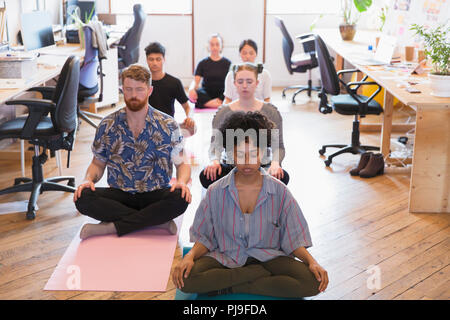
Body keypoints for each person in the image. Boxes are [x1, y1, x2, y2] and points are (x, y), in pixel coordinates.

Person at [172, 112, 328, 298]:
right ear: (230, 154)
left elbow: (293, 238)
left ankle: (232, 286)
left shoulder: (280, 191)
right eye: (240, 155)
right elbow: (204, 237)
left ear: (263, 153)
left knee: (313, 282)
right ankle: (255, 276)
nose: (247, 162)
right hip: (227, 255)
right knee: (187, 279)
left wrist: (312, 262)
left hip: (269, 257)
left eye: (253, 154)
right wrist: (189, 257)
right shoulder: (215, 191)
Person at [74, 64, 192, 240]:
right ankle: (156, 221)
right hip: (120, 194)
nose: (134, 95)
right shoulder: (107, 125)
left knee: (180, 198)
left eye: (139, 89)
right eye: (128, 89)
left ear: (150, 90)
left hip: (156, 193)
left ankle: (111, 227)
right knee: (82, 197)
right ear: (122, 89)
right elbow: (97, 164)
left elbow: (182, 164)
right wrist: (87, 179)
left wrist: (182, 182)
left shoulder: (168, 125)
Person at [199, 62, 289, 189]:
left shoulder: (270, 111)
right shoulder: (223, 112)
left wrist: (275, 163)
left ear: (257, 83)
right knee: (207, 176)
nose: (245, 86)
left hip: (261, 165)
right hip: (231, 165)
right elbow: (215, 145)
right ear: (234, 83)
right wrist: (214, 161)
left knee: (282, 177)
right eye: (240, 82)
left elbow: (278, 145)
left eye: (249, 81)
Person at [145, 42, 195, 134]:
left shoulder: (174, 83)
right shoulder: (142, 82)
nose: (154, 63)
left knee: (192, 128)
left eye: (158, 59)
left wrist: (189, 117)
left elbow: (187, 107)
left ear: (164, 59)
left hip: (168, 126)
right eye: (151, 59)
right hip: (148, 127)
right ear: (147, 60)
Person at [188, 33, 231, 109]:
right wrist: (191, 89)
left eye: (217, 44)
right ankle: (219, 104)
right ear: (208, 46)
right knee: (198, 94)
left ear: (221, 46)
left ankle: (207, 104)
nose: (215, 47)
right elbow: (196, 81)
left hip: (222, 92)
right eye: (212, 45)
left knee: (229, 94)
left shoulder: (228, 63)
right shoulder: (202, 63)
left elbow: (231, 82)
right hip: (206, 92)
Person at [224, 39, 272, 104]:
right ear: (239, 54)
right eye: (244, 53)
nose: (248, 56)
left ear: (256, 54)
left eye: (251, 53)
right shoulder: (231, 75)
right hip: (236, 111)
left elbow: (267, 99)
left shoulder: (265, 74)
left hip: (257, 111)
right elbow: (227, 99)